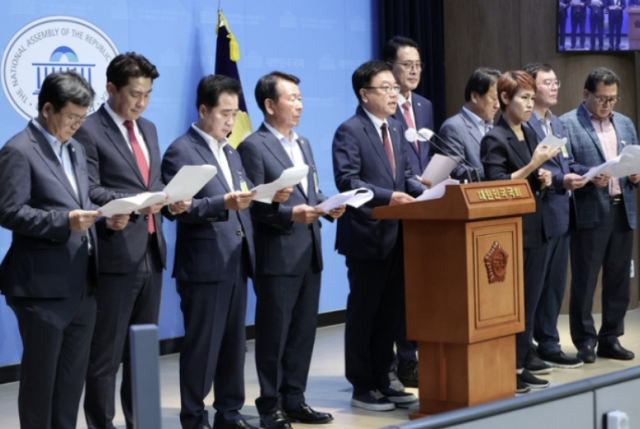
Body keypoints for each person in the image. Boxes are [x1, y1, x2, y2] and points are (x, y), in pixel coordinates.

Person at [0, 72, 128, 429]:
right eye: (71, 117)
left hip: (82, 286)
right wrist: (64, 221)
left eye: (82, 118)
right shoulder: (18, 150)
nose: (77, 125)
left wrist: (106, 222)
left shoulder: (76, 148)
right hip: (41, 288)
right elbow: (9, 212)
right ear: (46, 109)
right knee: (41, 384)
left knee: (71, 383)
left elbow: (82, 204)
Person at [75, 52, 190, 429]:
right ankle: (101, 424)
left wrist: (173, 201)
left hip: (152, 253)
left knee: (142, 353)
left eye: (148, 94)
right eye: (135, 94)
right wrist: (124, 204)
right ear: (110, 89)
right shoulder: (89, 130)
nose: (141, 102)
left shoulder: (150, 128)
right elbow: (87, 189)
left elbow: (153, 184)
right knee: (105, 355)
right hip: (114, 254)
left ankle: (141, 423)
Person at [238, 71, 343, 429]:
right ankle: (270, 407)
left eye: (300, 97)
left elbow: (309, 193)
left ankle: (295, 399)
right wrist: (289, 214)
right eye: (291, 98)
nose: (299, 105)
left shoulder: (304, 143)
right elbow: (252, 205)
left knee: (302, 333)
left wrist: (328, 205)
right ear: (269, 105)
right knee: (274, 336)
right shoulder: (253, 146)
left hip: (308, 250)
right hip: (277, 255)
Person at [162, 75, 267, 429]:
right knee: (202, 347)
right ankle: (193, 417)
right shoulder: (182, 150)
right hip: (205, 265)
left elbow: (242, 194)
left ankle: (229, 412)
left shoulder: (232, 150)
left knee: (234, 345)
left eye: (235, 114)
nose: (231, 120)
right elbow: (177, 206)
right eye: (224, 113)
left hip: (237, 260)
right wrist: (220, 202)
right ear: (203, 109)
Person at [332, 60, 425, 411]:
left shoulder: (397, 129)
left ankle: (385, 377)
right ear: (364, 94)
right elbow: (348, 181)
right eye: (386, 87)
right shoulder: (349, 130)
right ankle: (362, 384)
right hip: (367, 236)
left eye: (394, 87)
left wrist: (427, 188)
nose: (395, 93)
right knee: (365, 312)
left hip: (399, 235)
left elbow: (406, 178)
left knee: (391, 313)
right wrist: (390, 196)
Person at [480, 71, 560, 394]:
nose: (530, 105)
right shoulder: (494, 138)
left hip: (535, 226)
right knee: (513, 306)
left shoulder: (527, 130)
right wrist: (532, 166)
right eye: (523, 98)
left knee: (530, 303)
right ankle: (507, 368)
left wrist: (541, 176)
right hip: (511, 233)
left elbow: (525, 177)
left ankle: (521, 364)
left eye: (531, 98)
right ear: (504, 99)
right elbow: (497, 185)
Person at [560, 68, 639, 364]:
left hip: (622, 207)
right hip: (590, 209)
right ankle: (584, 341)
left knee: (619, 278)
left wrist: (636, 175)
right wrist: (588, 175)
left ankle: (610, 338)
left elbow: (634, 158)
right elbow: (566, 162)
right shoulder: (568, 123)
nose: (608, 104)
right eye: (602, 98)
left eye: (613, 99)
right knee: (585, 279)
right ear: (586, 94)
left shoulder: (626, 124)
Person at [523, 63, 589, 372]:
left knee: (554, 287)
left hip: (563, 213)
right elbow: (531, 167)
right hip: (539, 214)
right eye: (547, 82)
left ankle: (549, 343)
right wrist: (563, 180)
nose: (554, 87)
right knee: (534, 288)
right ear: (531, 88)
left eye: (556, 82)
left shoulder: (557, 123)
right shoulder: (525, 124)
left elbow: (567, 161)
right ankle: (528, 347)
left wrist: (589, 174)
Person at [380, 34, 434, 388]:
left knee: (420, 290)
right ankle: (396, 363)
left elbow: (423, 158)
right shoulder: (381, 109)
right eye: (407, 64)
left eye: (418, 65)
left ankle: (412, 356)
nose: (414, 71)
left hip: (424, 209)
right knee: (395, 295)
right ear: (389, 68)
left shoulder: (425, 106)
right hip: (394, 211)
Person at [438, 67, 501, 182]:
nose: (498, 106)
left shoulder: (494, 127)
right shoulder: (453, 127)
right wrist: (498, 172)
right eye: (494, 99)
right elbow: (456, 170)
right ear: (474, 97)